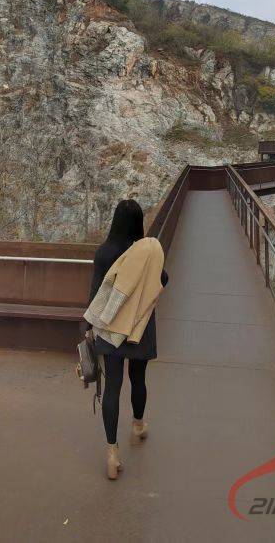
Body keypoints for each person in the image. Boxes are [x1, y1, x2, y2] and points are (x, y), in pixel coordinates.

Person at [85, 199, 168, 479]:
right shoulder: (145, 252)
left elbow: (96, 292)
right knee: (138, 378)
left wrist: (88, 326)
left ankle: (112, 453)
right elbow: (163, 279)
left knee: (112, 386)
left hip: (110, 328)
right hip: (139, 328)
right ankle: (137, 425)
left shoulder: (104, 252)